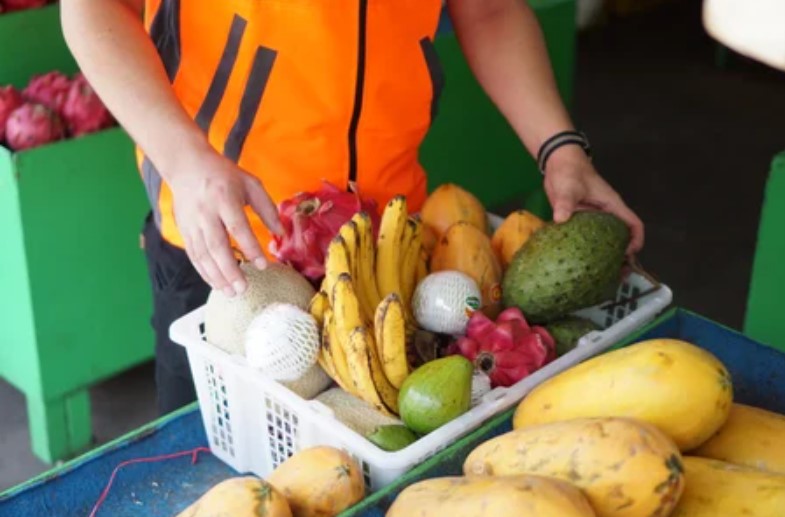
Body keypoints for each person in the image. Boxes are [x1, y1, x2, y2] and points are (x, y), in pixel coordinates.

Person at [61, 0, 644, 415]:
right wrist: (184, 161)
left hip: (390, 245)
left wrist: (559, 149)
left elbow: (488, 8)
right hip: (229, 238)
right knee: (215, 483)